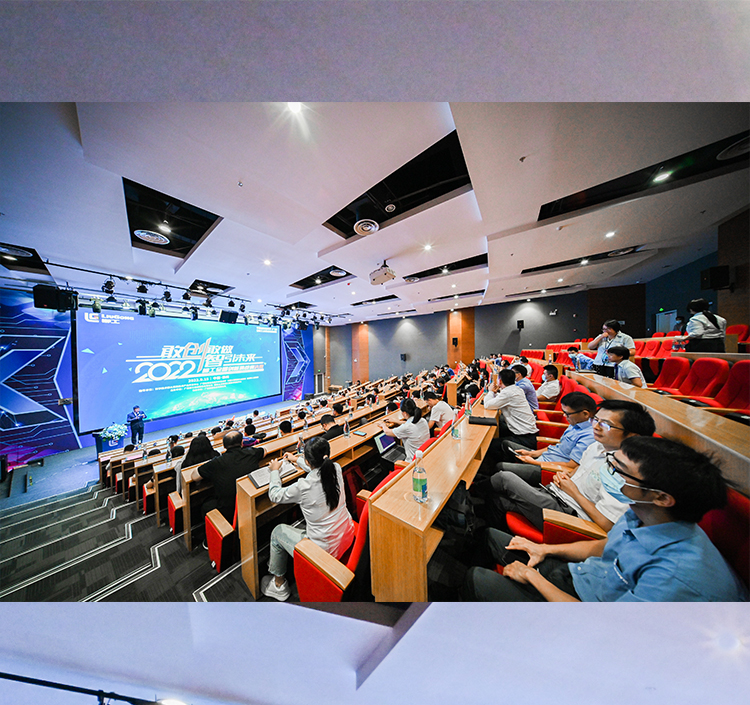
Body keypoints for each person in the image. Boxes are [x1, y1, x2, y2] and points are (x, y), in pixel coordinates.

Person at [464, 436, 748, 601]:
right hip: (585, 576)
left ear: (662, 497)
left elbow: (605, 627)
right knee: (491, 537)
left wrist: (531, 577)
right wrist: (545, 549)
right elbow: (602, 546)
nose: (609, 472)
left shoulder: (676, 577)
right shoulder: (643, 512)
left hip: (582, 606)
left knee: (475, 579)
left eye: (619, 469)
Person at [486, 400, 655, 532]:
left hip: (569, 512)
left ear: (632, 436)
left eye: (605, 424)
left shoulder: (628, 472)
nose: (596, 427)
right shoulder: (597, 446)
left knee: (504, 477)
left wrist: (572, 490)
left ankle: (474, 487)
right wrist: (566, 477)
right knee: (499, 501)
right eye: (596, 420)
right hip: (554, 493)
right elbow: (577, 470)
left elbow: (607, 523)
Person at [262, 436, 356, 601]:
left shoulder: (303, 486)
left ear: (308, 460)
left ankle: (278, 585)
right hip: (346, 535)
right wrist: (296, 460)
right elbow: (318, 469)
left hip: (324, 550)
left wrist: (275, 471)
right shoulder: (335, 468)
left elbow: (275, 495)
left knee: (277, 532)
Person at [492, 392, 597, 479]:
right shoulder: (575, 424)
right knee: (505, 444)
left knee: (500, 467)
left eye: (567, 414)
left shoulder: (590, 436)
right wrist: (531, 453)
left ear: (585, 414)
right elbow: (557, 446)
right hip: (543, 458)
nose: (564, 416)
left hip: (548, 468)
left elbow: (571, 466)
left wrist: (534, 463)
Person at [190, 430, 265, 523]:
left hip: (229, 510)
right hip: (252, 500)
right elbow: (264, 451)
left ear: (224, 446)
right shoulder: (252, 452)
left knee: (206, 505)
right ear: (242, 443)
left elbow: (194, 476)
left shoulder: (216, 463)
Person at [483, 369, 539, 452]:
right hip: (526, 433)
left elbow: (488, 405)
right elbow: (502, 398)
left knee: (489, 445)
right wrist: (494, 393)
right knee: (498, 426)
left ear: (500, 381)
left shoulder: (508, 393)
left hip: (524, 437)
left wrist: (491, 391)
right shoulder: (516, 389)